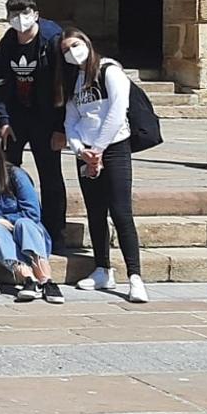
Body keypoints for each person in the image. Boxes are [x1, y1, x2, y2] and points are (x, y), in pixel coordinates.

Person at [57, 27, 147, 303]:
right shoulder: (75, 78)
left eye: (75, 45)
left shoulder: (109, 71)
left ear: (86, 42)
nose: (72, 52)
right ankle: (102, 268)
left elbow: (118, 111)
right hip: (85, 153)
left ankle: (135, 276)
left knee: (121, 212)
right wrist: (80, 149)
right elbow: (71, 119)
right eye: (65, 50)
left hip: (114, 148)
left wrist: (98, 149)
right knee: (95, 212)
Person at [0, 0, 67, 246]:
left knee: (50, 175)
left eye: (25, 13)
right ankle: (8, 222)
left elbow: (61, 85)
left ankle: (55, 232)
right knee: (6, 170)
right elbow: (0, 82)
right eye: (14, 14)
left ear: (35, 14)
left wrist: (60, 127)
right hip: (16, 115)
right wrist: (3, 120)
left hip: (46, 117)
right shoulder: (8, 41)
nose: (20, 19)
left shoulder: (51, 40)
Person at [0, 136, 62, 302]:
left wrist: (9, 221)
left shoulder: (15, 175)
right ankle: (28, 278)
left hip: (29, 235)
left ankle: (46, 279)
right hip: (1, 240)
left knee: (24, 223)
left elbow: (33, 213)